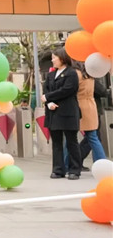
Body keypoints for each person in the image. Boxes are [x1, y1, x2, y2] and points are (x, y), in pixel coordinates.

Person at [41, 48, 81, 180]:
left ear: (62, 58)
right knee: (56, 142)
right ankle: (58, 169)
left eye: (54, 57)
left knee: (71, 141)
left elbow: (68, 90)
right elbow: (46, 91)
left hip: (68, 111)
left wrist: (48, 97)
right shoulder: (51, 75)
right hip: (53, 112)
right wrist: (49, 103)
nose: (52, 60)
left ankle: (74, 169)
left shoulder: (71, 73)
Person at [73, 62, 107, 168]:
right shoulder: (89, 76)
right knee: (93, 137)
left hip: (82, 108)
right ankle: (100, 164)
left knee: (87, 137)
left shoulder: (78, 75)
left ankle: (75, 162)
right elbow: (102, 91)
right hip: (92, 109)